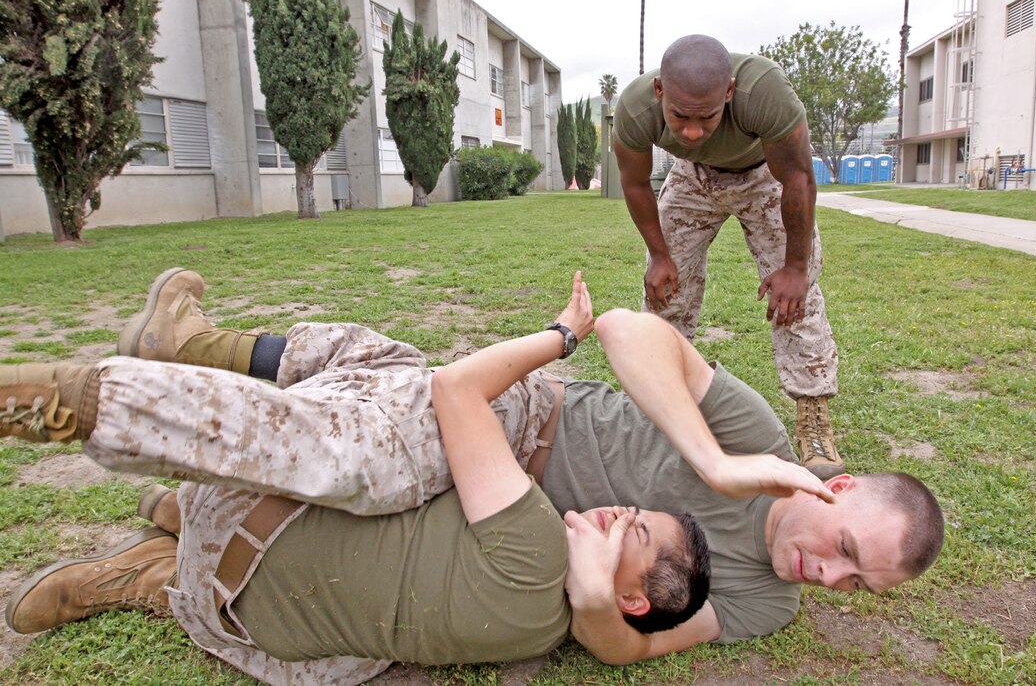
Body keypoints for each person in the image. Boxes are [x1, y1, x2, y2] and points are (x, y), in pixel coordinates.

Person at [45, 267, 940, 668]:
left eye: (855, 585)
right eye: (847, 547)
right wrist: (719, 460)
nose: (828, 574)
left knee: (338, 567)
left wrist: (596, 603)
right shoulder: (755, 431)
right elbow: (627, 329)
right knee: (375, 421)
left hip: (494, 538)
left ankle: (155, 568)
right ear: (843, 486)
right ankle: (176, 365)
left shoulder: (770, 601)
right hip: (522, 429)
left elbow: (634, 643)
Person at [0, 272, 714, 685]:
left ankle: (114, 395)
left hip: (244, 499)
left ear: (628, 595)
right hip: (230, 619)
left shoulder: (536, 550)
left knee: (397, 381)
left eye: (635, 528)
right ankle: (144, 572)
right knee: (369, 635)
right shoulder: (540, 633)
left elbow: (455, 389)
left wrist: (561, 335)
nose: (617, 509)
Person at [612, 33, 842, 478]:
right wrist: (659, 255)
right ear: (660, 92)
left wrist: (795, 268)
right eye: (679, 116)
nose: (693, 131)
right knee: (665, 293)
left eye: (708, 116)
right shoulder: (636, 108)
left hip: (764, 175)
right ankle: (659, 406)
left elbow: (797, 177)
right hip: (692, 180)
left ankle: (813, 417)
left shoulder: (765, 91)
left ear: (730, 93)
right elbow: (636, 183)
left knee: (798, 296)